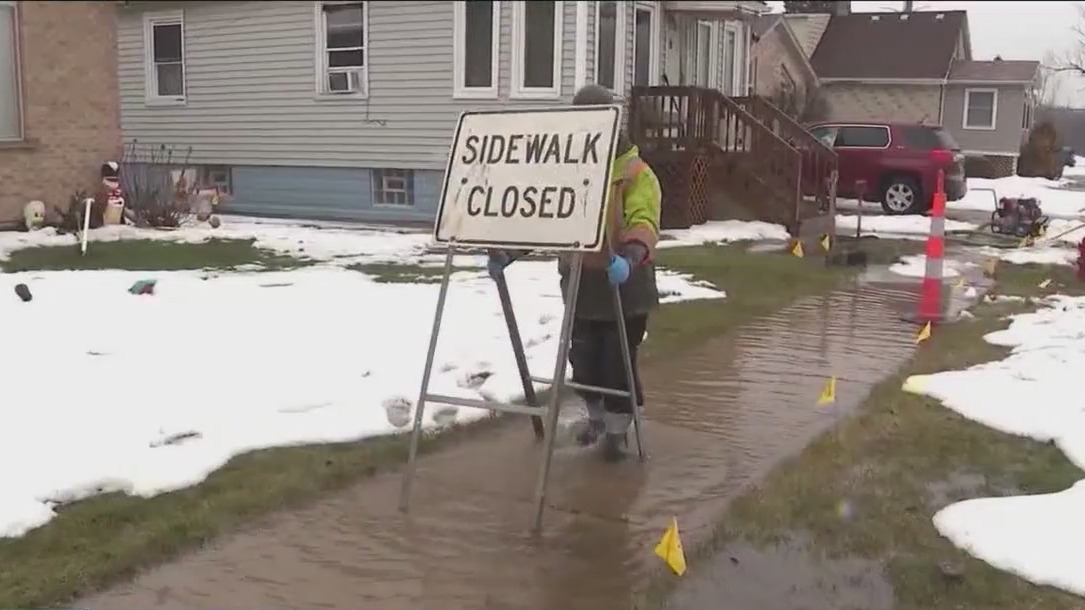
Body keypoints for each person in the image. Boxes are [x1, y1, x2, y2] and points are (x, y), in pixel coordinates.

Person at [487, 84, 662, 461]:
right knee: (583, 362)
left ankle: (617, 434)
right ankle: (596, 419)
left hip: (623, 286)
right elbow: (548, 221)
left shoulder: (634, 172)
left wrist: (630, 256)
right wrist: (508, 252)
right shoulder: (571, 167)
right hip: (581, 287)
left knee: (617, 363)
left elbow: (644, 220)